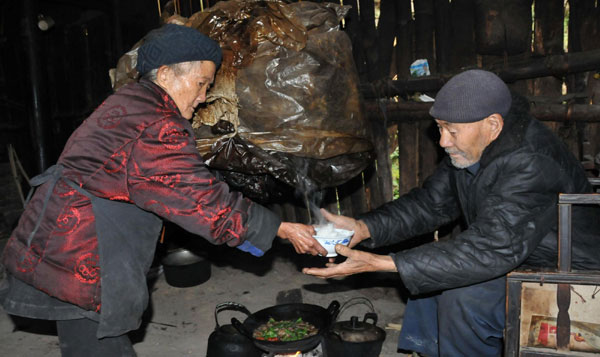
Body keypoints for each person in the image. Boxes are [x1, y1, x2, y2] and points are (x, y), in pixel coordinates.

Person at [0, 24, 326, 356]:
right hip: (83, 253)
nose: (202, 98)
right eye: (201, 85)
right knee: (99, 344)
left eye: (208, 88)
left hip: (61, 239)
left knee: (85, 340)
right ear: (167, 74)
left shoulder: (130, 101)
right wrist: (280, 227)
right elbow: (201, 201)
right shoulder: (157, 124)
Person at [303, 69, 600, 356]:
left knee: (463, 298)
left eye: (451, 130)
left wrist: (385, 263)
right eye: (440, 128)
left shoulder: (530, 162)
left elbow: (493, 249)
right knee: (431, 277)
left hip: (569, 268)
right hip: (520, 249)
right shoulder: (475, 148)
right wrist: (365, 227)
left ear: (492, 125)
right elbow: (431, 203)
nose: (443, 141)